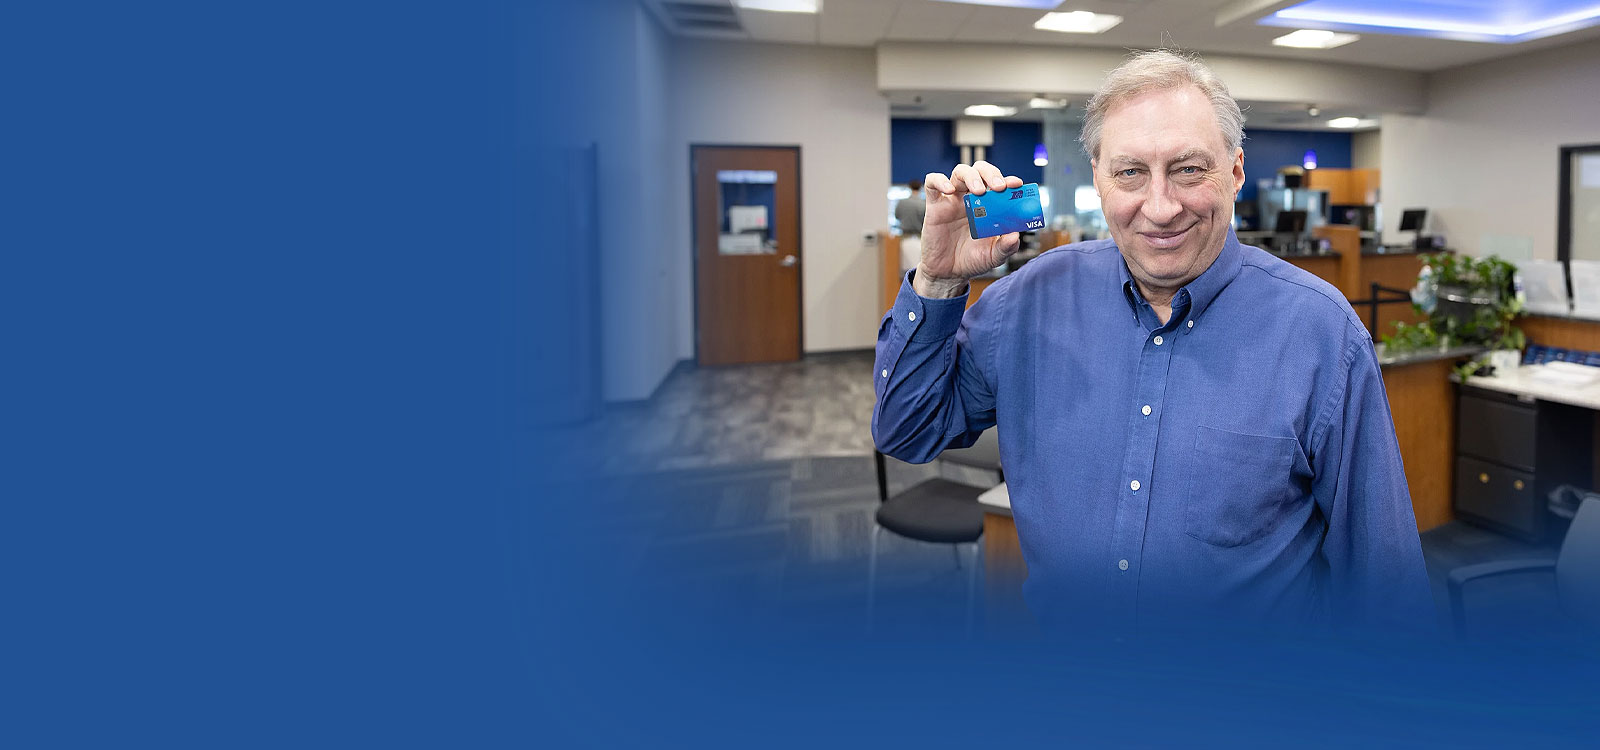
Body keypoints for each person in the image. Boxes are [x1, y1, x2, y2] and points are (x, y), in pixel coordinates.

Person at [871, 49, 1433, 634]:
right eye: (1130, 172)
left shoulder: (1321, 333)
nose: (1160, 208)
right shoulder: (1029, 300)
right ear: (1097, 177)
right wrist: (938, 280)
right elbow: (907, 431)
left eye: (1189, 169)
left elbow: (1382, 582)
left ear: (1235, 172)